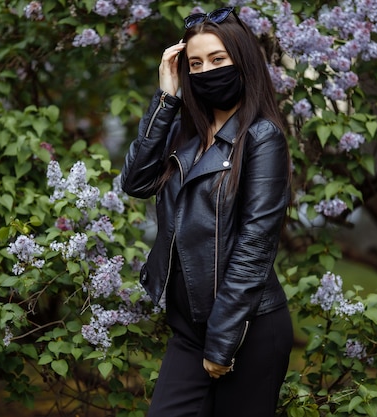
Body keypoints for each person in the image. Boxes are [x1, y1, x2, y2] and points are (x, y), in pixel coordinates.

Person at [120, 6, 293, 417]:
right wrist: (166, 98)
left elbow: (255, 245)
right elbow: (135, 182)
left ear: (242, 62)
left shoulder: (262, 138)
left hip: (247, 328)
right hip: (188, 329)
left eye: (217, 60)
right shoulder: (187, 136)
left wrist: (222, 341)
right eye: (195, 63)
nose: (206, 71)